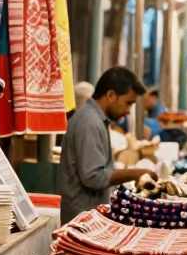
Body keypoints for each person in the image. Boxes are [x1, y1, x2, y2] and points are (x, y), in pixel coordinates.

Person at [56, 67, 149, 223]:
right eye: (128, 103)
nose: (128, 110)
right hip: (81, 220)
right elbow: (93, 177)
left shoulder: (97, 120)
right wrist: (137, 173)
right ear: (111, 95)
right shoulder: (89, 122)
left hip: (89, 217)